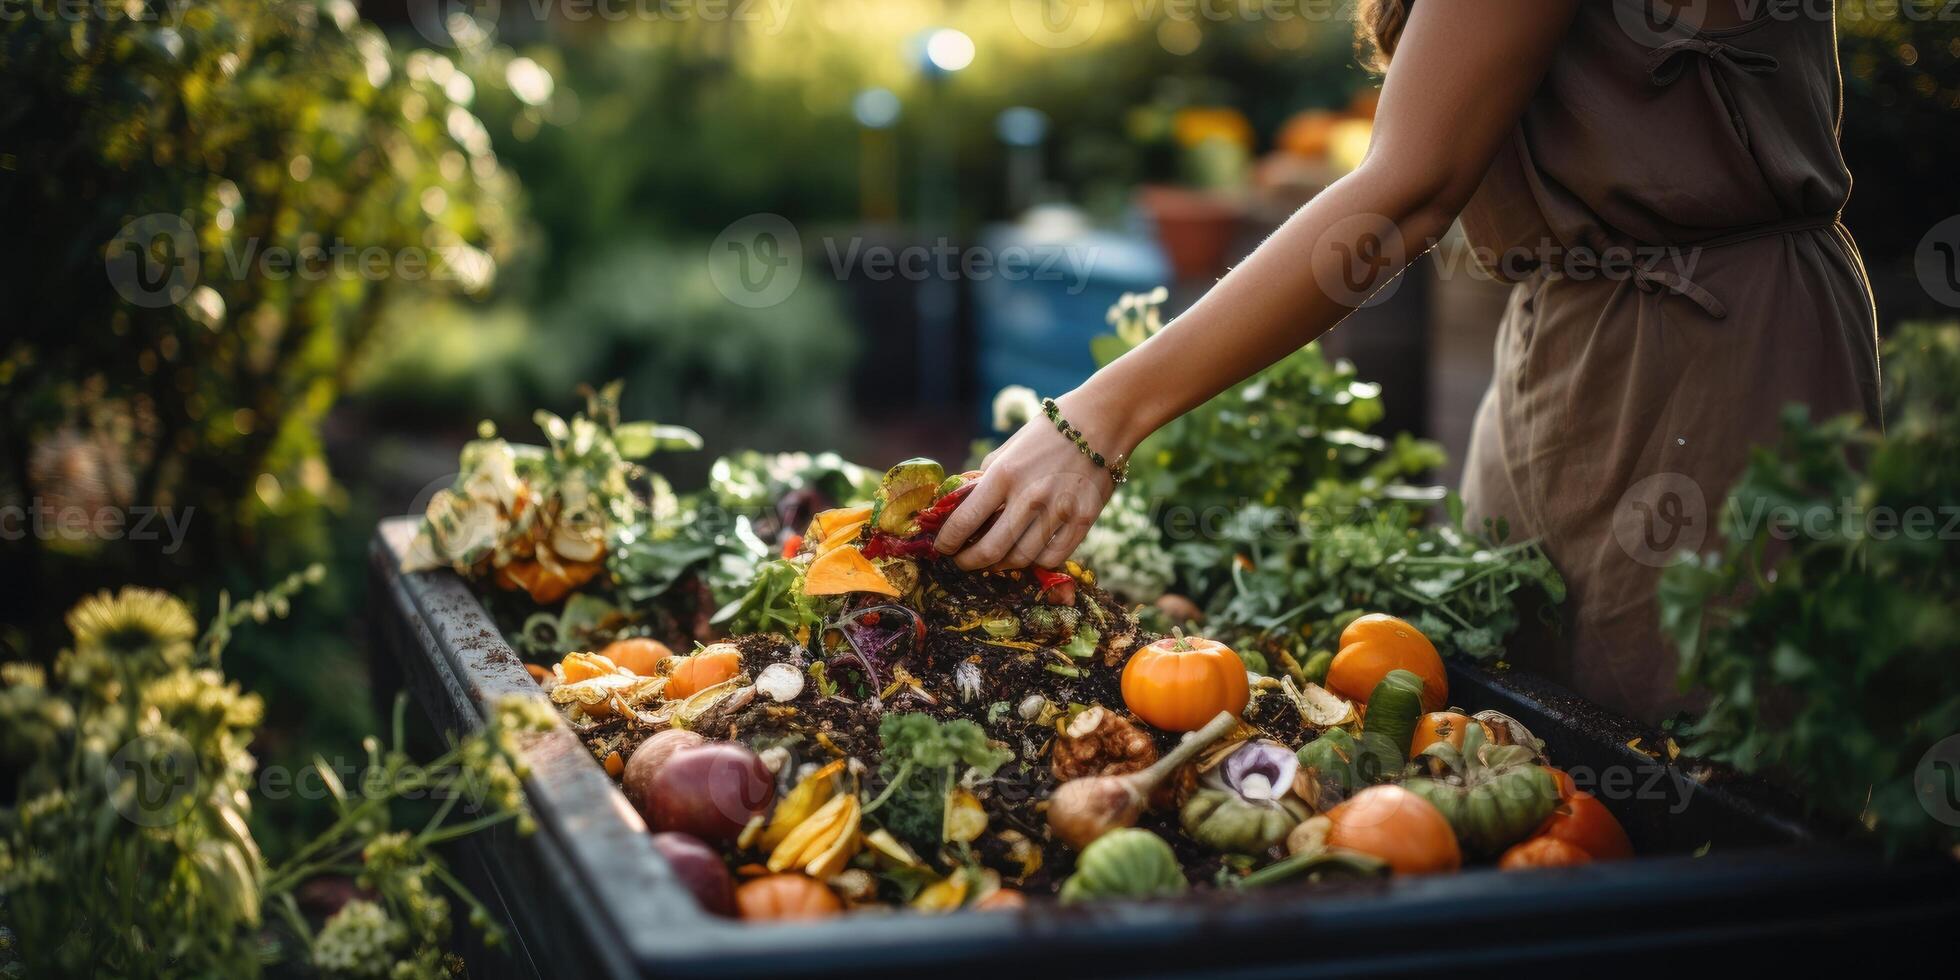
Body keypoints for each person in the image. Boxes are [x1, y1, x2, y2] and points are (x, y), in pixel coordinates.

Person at [931, 0, 1879, 725]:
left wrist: (1098, 419)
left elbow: (1409, 191)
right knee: (1525, 763)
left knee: (1692, 799)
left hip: (1705, 370)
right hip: (1560, 348)